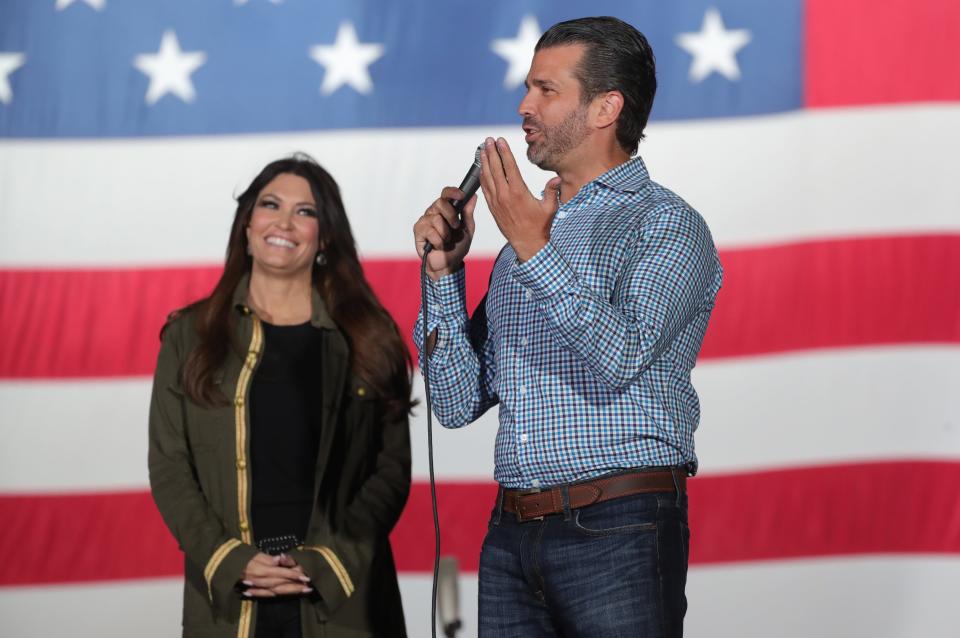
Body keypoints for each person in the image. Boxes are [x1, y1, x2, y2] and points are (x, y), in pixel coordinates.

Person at [412, 16, 723, 637]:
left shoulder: (664, 226)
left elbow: (622, 355)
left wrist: (532, 245)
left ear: (608, 107)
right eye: (529, 88)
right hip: (511, 533)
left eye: (546, 90)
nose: (525, 106)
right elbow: (453, 403)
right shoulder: (517, 248)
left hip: (620, 524)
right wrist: (445, 275)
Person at [149, 154, 412, 638]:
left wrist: (326, 561)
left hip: (342, 601)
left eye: (306, 211)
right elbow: (170, 467)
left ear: (325, 237)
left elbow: (390, 471)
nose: (284, 222)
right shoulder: (189, 335)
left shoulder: (370, 338)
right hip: (231, 604)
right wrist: (230, 561)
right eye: (270, 205)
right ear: (247, 224)